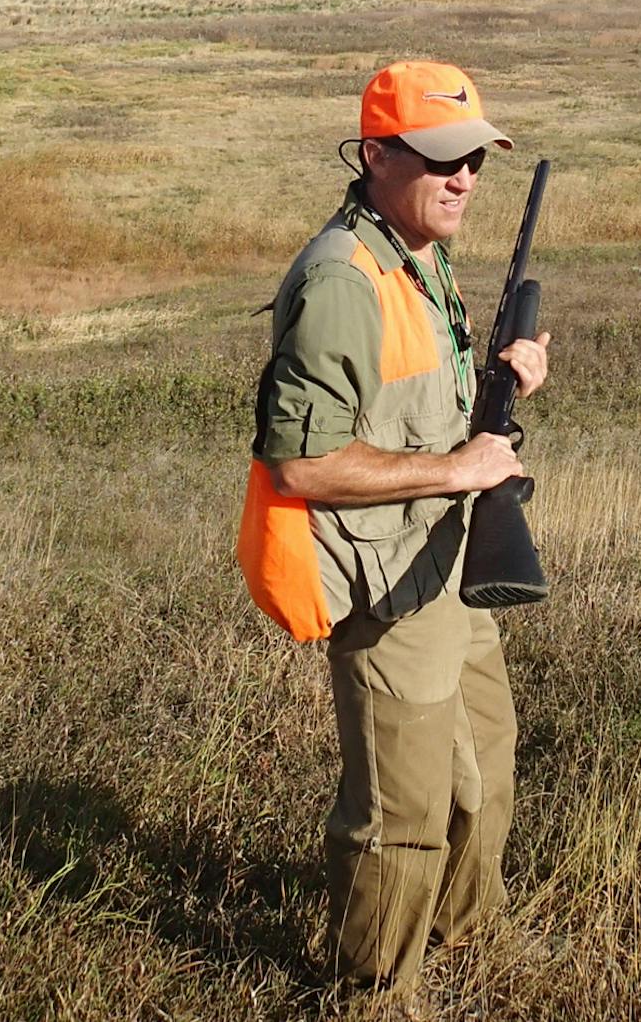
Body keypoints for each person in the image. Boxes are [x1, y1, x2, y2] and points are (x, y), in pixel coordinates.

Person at [243, 60, 550, 996]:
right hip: (386, 582)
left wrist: (496, 382)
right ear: (376, 154)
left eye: (476, 162)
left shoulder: (420, 251)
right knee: (401, 812)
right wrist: (460, 468)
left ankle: (460, 938)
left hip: (449, 560)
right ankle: (375, 988)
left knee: (486, 767)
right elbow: (302, 464)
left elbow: (409, 400)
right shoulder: (344, 278)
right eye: (440, 157)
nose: (463, 178)